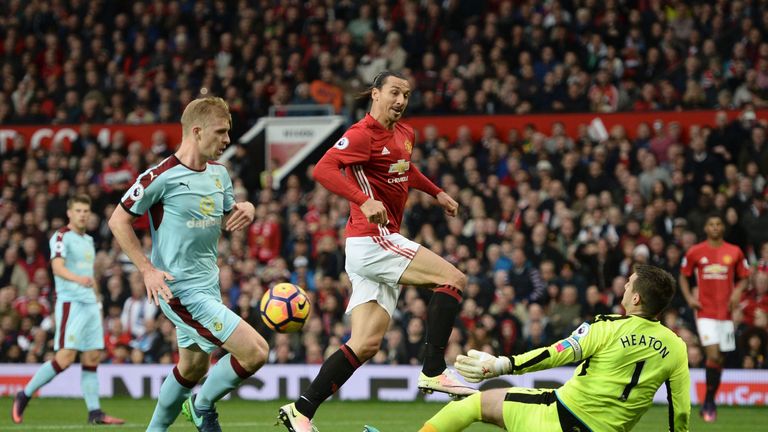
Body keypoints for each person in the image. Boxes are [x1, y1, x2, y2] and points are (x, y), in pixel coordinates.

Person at [278, 70, 474, 432]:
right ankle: (434, 371)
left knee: (366, 343)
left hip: (374, 245)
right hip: (372, 238)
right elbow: (323, 169)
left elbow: (405, 168)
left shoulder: (405, 133)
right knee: (453, 278)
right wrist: (363, 199)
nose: (401, 101)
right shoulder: (360, 135)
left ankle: (301, 411)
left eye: (407, 95)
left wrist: (436, 192)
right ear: (375, 94)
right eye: (395, 93)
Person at [109, 97, 268, 432]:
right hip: (178, 289)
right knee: (255, 351)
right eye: (221, 132)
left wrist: (249, 207)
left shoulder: (220, 174)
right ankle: (201, 404)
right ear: (196, 131)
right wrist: (146, 269)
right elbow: (118, 221)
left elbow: (230, 212)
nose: (227, 140)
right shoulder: (159, 177)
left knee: (193, 367)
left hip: (208, 285)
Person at [420, 265, 690, 432]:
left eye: (629, 282)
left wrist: (504, 365)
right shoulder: (677, 347)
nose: (626, 284)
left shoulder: (607, 326)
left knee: (473, 404)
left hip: (557, 417)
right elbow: (680, 412)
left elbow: (555, 354)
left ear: (635, 297)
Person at [11, 195, 125, 425]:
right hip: (71, 303)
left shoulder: (88, 240)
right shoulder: (61, 236)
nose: (83, 214)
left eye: (86, 210)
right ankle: (25, 394)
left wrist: (97, 300)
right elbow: (57, 267)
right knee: (65, 358)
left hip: (90, 304)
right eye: (79, 210)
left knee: (92, 356)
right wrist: (80, 280)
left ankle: (95, 413)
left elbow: (90, 274)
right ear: (69, 213)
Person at [679, 213, 750, 422]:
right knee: (712, 353)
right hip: (705, 312)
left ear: (723, 228)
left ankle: (709, 397)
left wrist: (737, 292)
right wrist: (690, 297)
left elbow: (745, 278)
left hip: (726, 314)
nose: (715, 227)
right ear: (706, 228)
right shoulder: (695, 252)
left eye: (718, 224)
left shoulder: (734, 252)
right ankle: (709, 402)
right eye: (711, 224)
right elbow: (683, 275)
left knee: (721, 357)